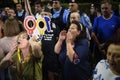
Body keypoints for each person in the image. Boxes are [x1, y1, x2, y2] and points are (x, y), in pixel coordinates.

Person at [40, 9, 61, 80]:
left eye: (45, 14)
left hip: (52, 56)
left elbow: (58, 40)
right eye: (42, 14)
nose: (43, 16)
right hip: (41, 55)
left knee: (51, 74)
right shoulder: (37, 26)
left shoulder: (55, 27)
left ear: (50, 16)